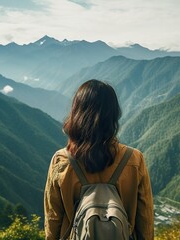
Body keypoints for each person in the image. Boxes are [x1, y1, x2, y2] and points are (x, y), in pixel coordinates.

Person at [44, 79, 154, 239]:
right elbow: (145, 220)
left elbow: (53, 219)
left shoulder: (61, 161)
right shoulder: (134, 159)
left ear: (76, 113)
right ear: (114, 115)